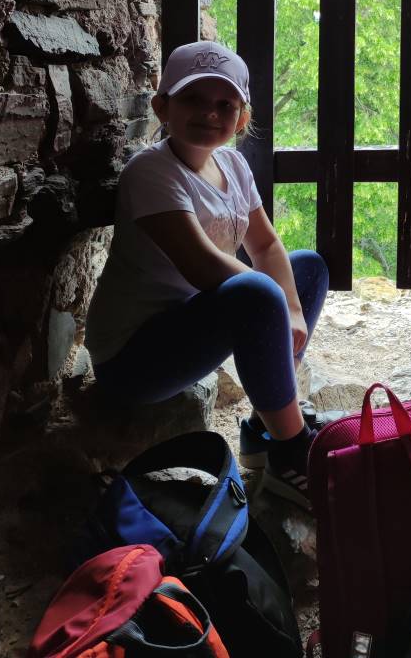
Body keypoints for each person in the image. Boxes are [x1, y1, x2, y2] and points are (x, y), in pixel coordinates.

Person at [85, 40, 328, 508]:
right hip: (133, 358)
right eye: (193, 98)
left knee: (308, 269)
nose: (209, 113)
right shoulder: (151, 171)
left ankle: (264, 427)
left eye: (225, 104)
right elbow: (201, 265)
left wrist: (293, 310)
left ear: (242, 118)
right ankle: (292, 452)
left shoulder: (233, 164)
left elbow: (265, 245)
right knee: (258, 293)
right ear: (162, 107)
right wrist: (271, 303)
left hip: (192, 323)